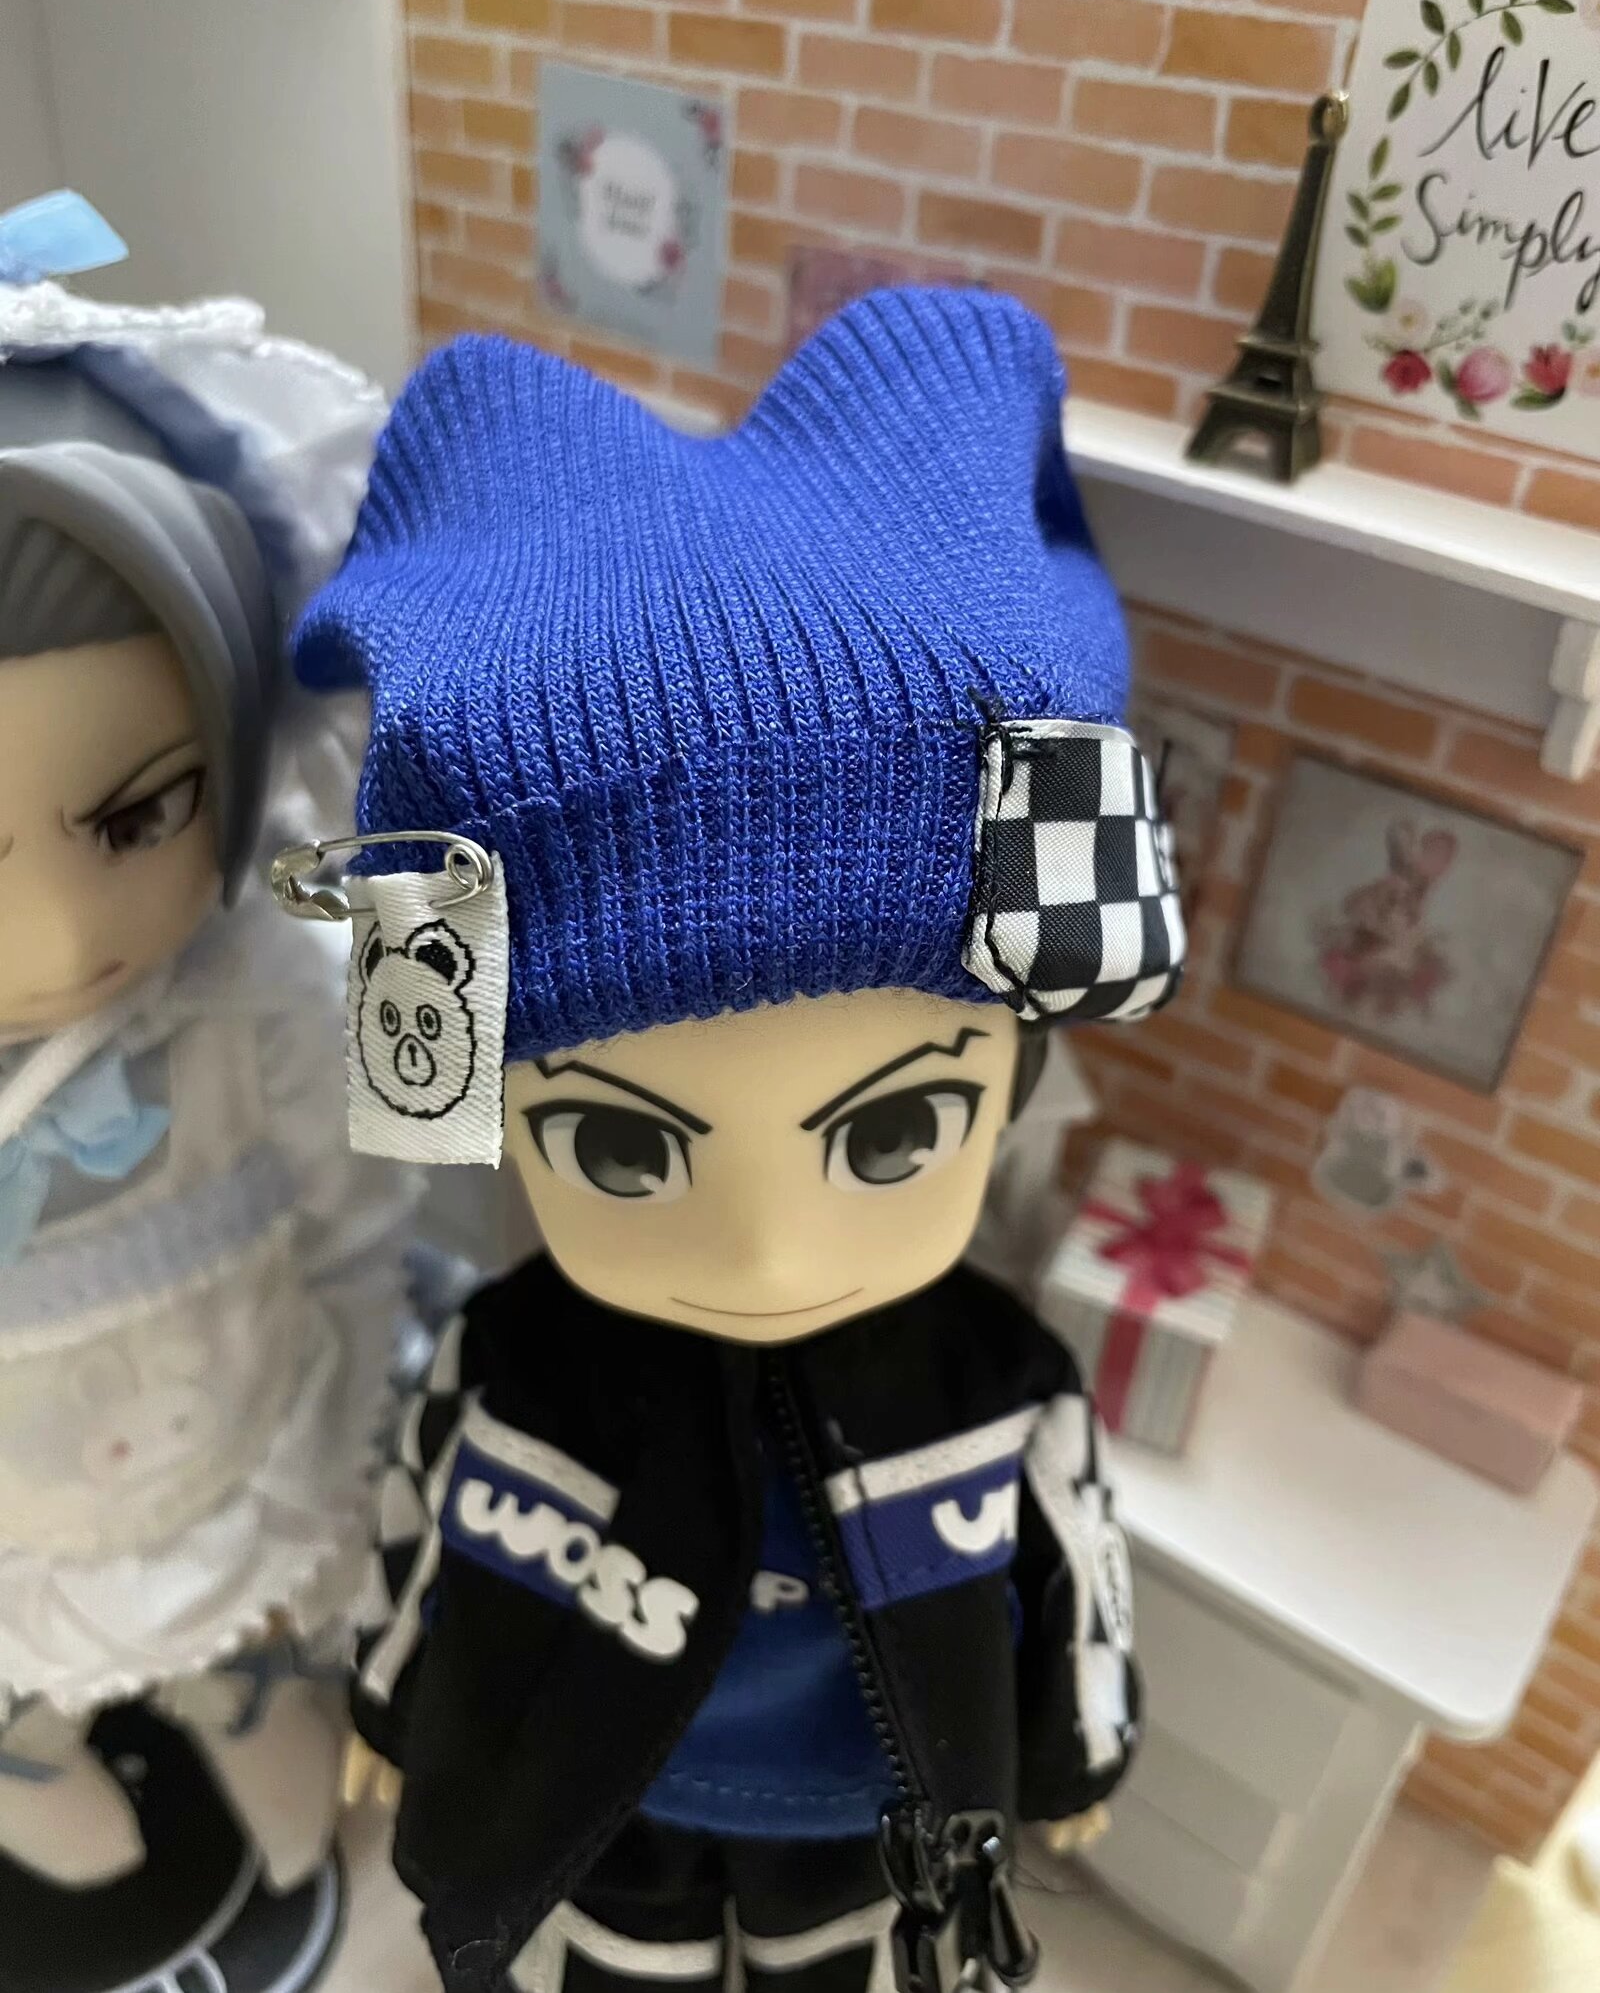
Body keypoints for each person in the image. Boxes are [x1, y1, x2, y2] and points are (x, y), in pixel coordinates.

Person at [289, 287, 1183, 1993]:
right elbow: (419, 1529)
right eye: (624, 1152)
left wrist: (1073, 1752)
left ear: (1011, 1081)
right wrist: (394, 1711)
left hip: (876, 1825)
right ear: (487, 1108)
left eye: (898, 1129)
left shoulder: (999, 1384)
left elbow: (1079, 1573)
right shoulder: (508, 1361)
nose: (767, 1253)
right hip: (586, 1811)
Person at [0, 330, 412, 1993]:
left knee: (272, 1682)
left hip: (234, 1450)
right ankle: (25, 1724)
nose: (59, 936)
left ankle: (226, 1669)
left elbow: (358, 1209)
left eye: (138, 815)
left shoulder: (265, 980)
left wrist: (347, 1434)